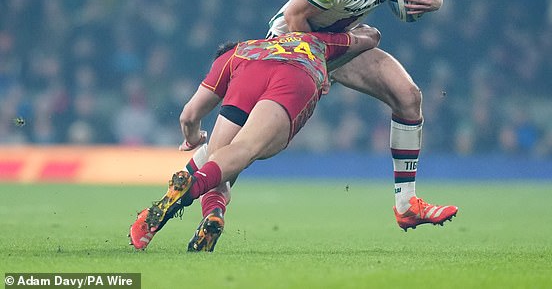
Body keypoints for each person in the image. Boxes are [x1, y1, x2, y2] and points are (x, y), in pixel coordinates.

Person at [195, 0, 458, 232]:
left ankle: (406, 205)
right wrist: (314, 66)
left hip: (340, 42)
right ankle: (204, 199)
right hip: (291, 46)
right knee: (249, 147)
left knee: (408, 96)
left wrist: (437, 2)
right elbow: (293, 17)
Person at [129, 25, 381, 251]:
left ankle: (211, 210)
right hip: (295, 75)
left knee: (219, 159)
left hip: (249, 75)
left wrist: (193, 138)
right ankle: (191, 189)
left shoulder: (233, 56)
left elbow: (189, 115)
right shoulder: (316, 40)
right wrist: (356, 30)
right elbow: (371, 37)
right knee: (243, 150)